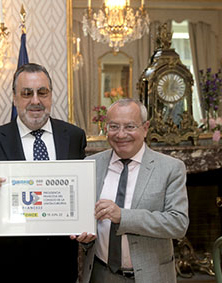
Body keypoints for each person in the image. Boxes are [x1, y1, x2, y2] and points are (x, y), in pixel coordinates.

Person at [0, 63, 87, 282]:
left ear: (50, 95)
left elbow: (82, 191)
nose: (36, 100)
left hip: (61, 265)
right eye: (27, 93)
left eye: (42, 92)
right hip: (10, 266)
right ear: (14, 98)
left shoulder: (74, 136)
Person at [76, 98, 189, 282]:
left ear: (145, 128)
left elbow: (178, 224)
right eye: (113, 127)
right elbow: (85, 220)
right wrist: (85, 238)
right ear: (106, 128)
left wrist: (123, 216)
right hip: (101, 274)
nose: (121, 134)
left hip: (151, 276)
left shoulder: (170, 168)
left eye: (130, 127)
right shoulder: (91, 165)